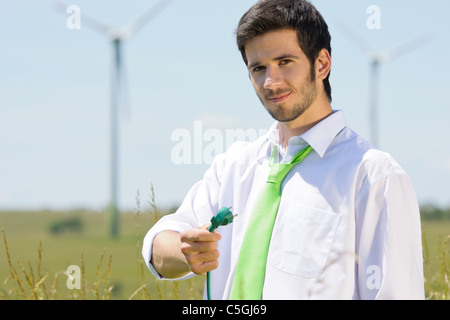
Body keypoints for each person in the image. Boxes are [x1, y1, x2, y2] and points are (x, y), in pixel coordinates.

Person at [142, 0, 424, 299]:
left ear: (322, 63)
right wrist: (185, 251)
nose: (271, 82)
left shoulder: (373, 176)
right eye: (258, 68)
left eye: (285, 62)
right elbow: (158, 247)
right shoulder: (234, 165)